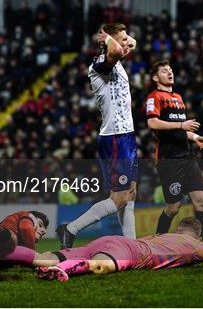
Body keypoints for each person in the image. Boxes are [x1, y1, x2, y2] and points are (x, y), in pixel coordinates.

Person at [56, 23, 138, 248]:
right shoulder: (100, 64)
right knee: (119, 197)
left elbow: (132, 43)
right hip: (114, 138)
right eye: (121, 39)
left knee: (130, 192)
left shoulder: (117, 58)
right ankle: (70, 229)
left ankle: (131, 245)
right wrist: (108, 39)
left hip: (126, 136)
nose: (126, 43)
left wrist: (116, 35)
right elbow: (117, 50)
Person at [1, 217, 203, 282]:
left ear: (178, 229)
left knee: (43, 255)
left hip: (114, 240)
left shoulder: (163, 234)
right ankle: (61, 271)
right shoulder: (196, 246)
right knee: (101, 266)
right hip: (131, 253)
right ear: (198, 235)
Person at [145, 60, 203, 252]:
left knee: (201, 202)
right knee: (174, 207)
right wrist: (181, 125)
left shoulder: (178, 97)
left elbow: (181, 130)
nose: (170, 73)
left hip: (187, 158)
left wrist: (195, 137)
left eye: (170, 70)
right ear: (155, 77)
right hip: (169, 161)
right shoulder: (154, 97)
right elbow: (153, 123)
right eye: (164, 71)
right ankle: (156, 244)